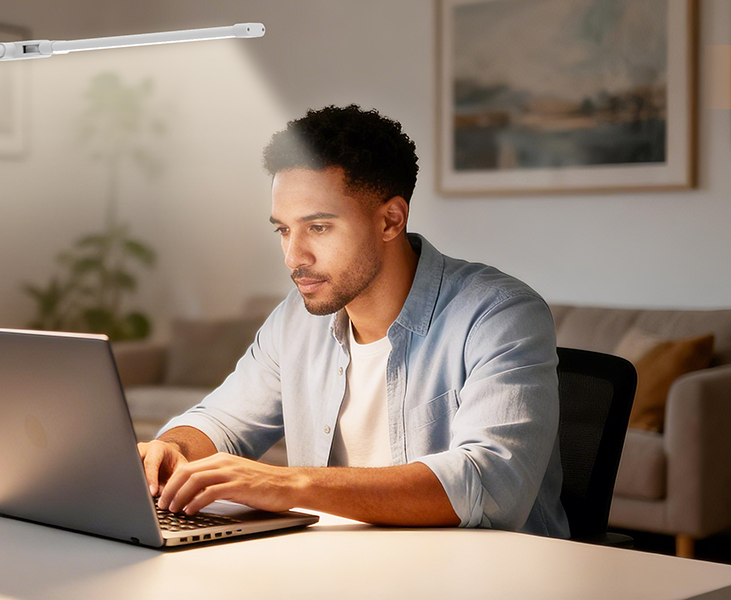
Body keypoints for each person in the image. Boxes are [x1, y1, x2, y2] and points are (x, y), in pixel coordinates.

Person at [138, 105, 568, 537]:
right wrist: (171, 449)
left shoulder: (500, 314)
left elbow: (490, 484)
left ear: (390, 220)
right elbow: (220, 422)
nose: (293, 257)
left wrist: (289, 484)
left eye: (319, 228)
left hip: (481, 576)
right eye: (283, 230)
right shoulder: (295, 319)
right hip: (341, 569)